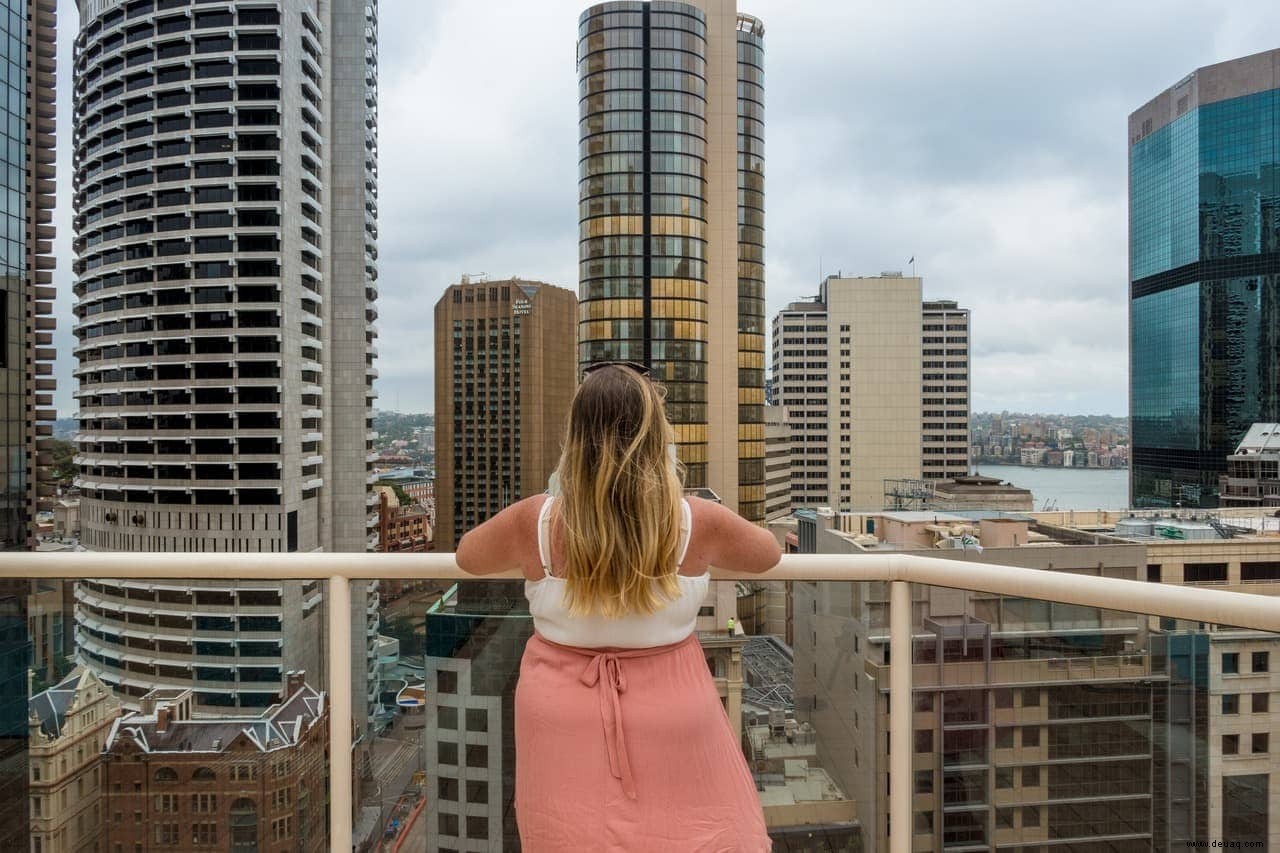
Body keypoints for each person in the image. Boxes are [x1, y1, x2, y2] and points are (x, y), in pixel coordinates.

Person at [457, 362, 781, 851]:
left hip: (559, 713)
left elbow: (468, 555)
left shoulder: (536, 521)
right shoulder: (696, 521)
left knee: (569, 837)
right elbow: (768, 553)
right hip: (672, 708)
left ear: (576, 436)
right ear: (657, 437)